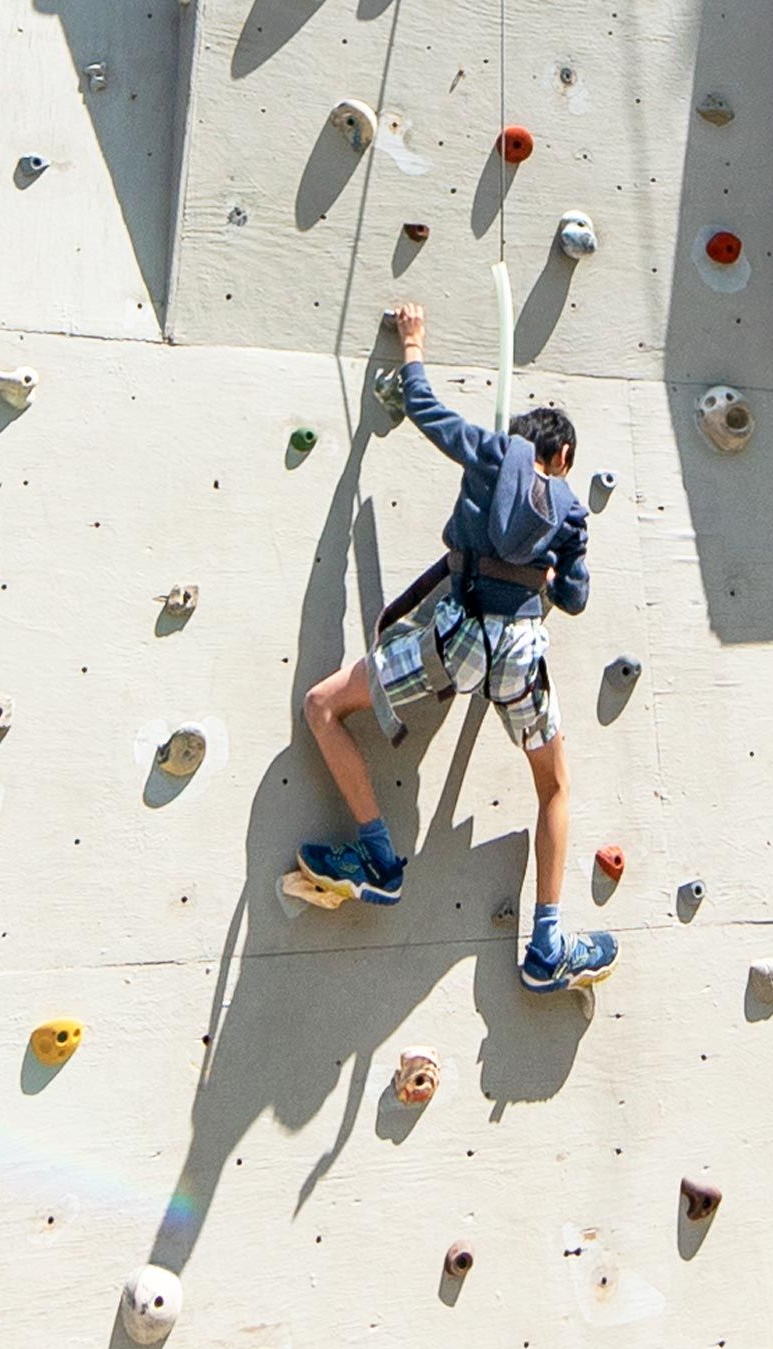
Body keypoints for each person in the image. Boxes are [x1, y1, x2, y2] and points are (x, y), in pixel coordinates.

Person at [296, 303, 617, 992]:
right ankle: (547, 947)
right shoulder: (568, 510)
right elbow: (577, 599)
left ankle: (379, 861)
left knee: (324, 706)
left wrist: (412, 343)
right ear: (560, 457)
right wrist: (549, 573)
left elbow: (424, 407)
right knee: (554, 787)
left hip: (456, 642)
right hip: (521, 656)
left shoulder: (488, 451)